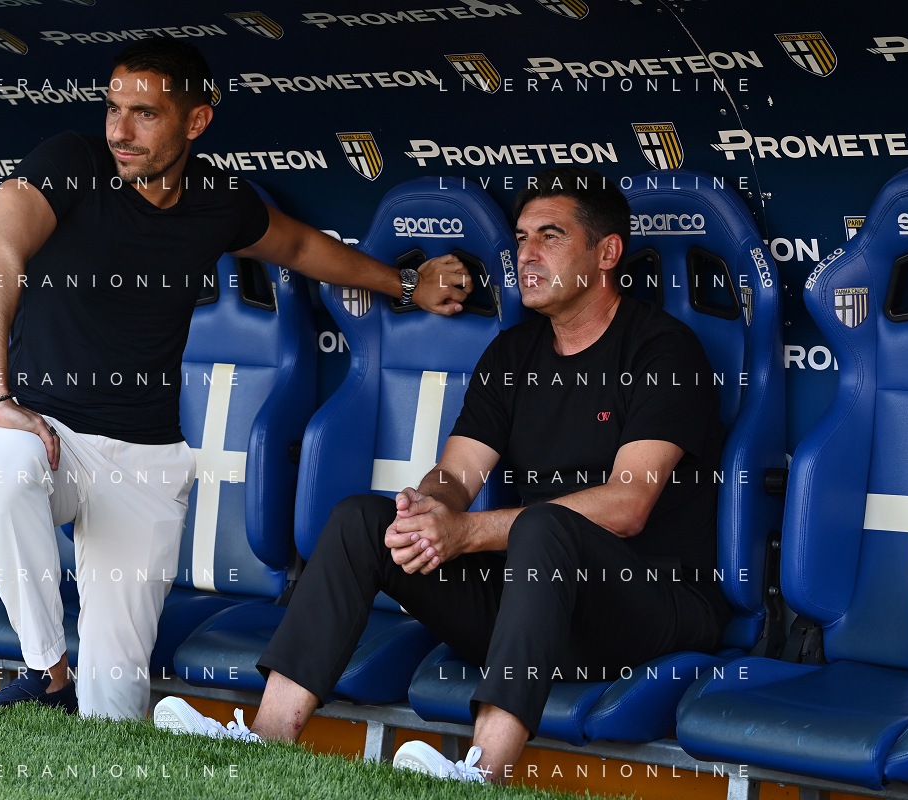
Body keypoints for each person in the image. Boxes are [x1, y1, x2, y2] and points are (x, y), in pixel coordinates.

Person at [154, 166, 732, 784]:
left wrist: (468, 532)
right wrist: (425, 510)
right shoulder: (514, 353)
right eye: (521, 238)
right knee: (361, 519)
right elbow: (456, 473)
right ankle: (268, 741)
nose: (527, 255)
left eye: (551, 236)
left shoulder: (662, 349)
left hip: (649, 604)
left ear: (607, 252)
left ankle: (482, 772)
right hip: (537, 611)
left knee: (542, 527)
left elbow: (626, 506)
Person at [0, 39, 472, 720]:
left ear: (196, 121)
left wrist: (406, 284)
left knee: (115, 702)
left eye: (145, 113)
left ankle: (89, 710)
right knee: (3, 456)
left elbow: (299, 246)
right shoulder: (71, 162)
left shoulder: (216, 198)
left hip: (144, 459)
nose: (120, 131)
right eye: (112, 109)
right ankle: (47, 672)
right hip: (50, 434)